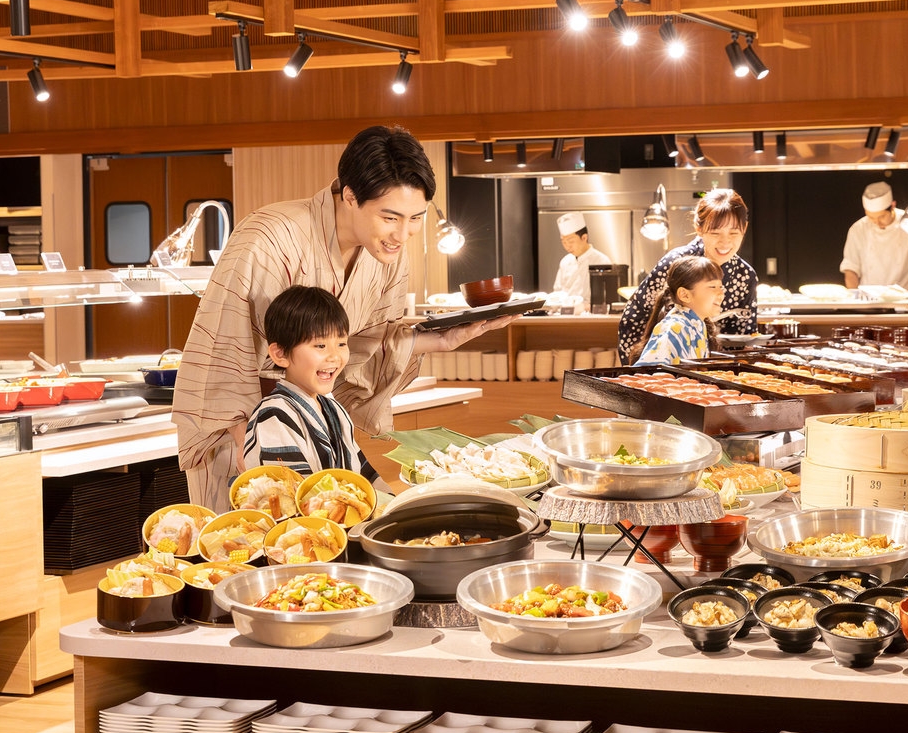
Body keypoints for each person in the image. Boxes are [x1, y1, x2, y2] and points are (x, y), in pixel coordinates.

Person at [171, 125, 512, 510]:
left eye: (415, 218)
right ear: (350, 196)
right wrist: (247, 438)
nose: (402, 234)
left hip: (317, 423)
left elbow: (362, 343)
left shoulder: (384, 254)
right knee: (249, 553)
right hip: (247, 430)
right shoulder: (269, 238)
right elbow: (223, 346)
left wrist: (441, 340)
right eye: (390, 217)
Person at [242, 286, 377, 479]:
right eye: (320, 346)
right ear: (280, 354)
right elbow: (295, 498)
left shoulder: (334, 409)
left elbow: (364, 477)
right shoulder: (274, 415)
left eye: (341, 344)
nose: (335, 357)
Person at [617, 189, 757, 363]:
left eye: (734, 233)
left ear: (745, 229)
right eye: (715, 233)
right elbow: (633, 319)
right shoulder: (676, 263)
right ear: (699, 228)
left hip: (709, 370)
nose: (725, 242)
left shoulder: (745, 275)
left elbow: (744, 337)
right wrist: (635, 374)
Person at [840, 181, 908, 295]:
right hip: (869, 302)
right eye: (871, 217)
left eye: (882, 216)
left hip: (907, 302)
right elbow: (851, 269)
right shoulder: (858, 229)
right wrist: (855, 301)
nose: (877, 222)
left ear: (892, 205)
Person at [632, 257, 724, 366]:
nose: (720, 294)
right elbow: (651, 375)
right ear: (684, 295)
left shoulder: (698, 325)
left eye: (721, 287)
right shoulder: (675, 327)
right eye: (712, 287)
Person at [551, 211, 612, 307]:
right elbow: (557, 292)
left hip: (592, 317)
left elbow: (607, 298)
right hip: (565, 315)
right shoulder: (565, 262)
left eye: (570, 241)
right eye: (563, 242)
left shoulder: (602, 261)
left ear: (584, 237)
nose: (567, 246)